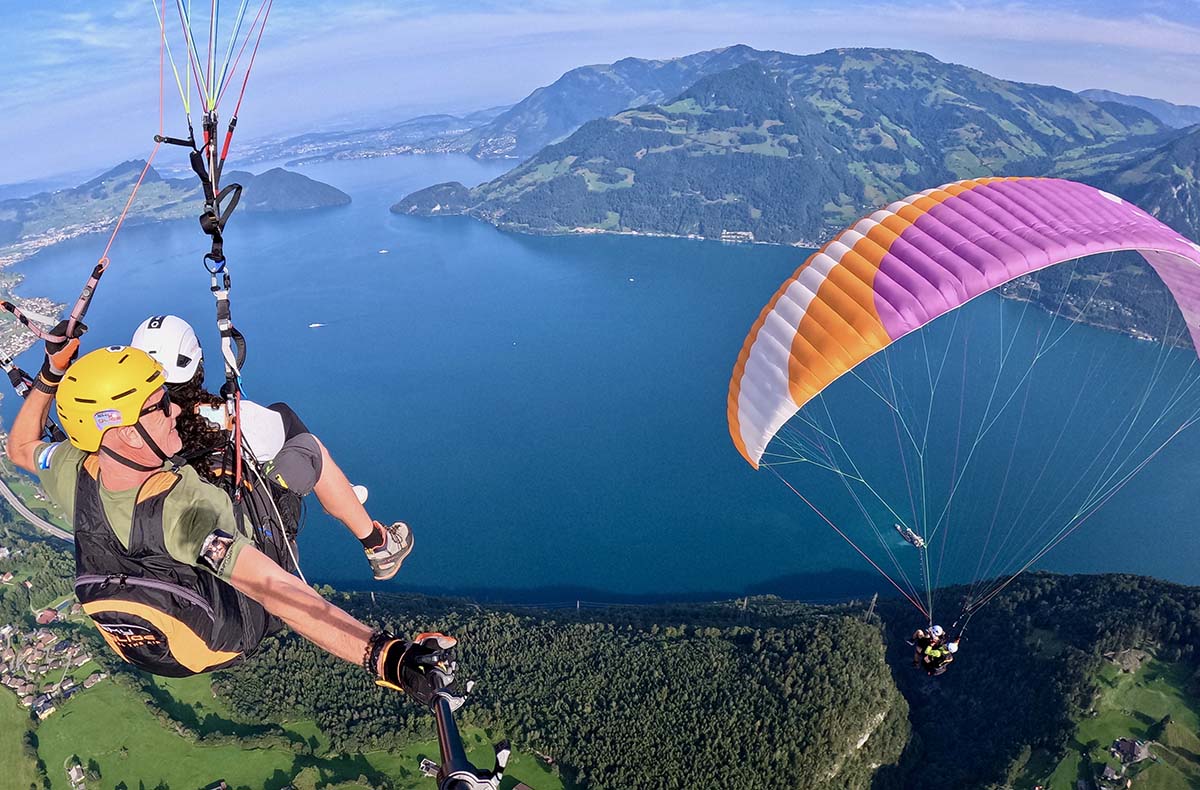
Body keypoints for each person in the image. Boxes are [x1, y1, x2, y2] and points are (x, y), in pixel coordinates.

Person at [5, 327, 454, 706]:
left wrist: (51, 375)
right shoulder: (184, 512)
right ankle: (379, 545)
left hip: (143, 638)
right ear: (125, 434)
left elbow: (21, 447)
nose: (174, 410)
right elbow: (274, 589)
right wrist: (388, 657)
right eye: (160, 406)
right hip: (222, 635)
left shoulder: (73, 467)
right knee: (307, 450)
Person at [130, 314, 411, 581]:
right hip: (250, 552)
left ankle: (346, 498)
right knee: (305, 444)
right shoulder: (236, 418)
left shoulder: (127, 438)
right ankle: (379, 545)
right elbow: (281, 430)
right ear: (197, 363)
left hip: (171, 557)